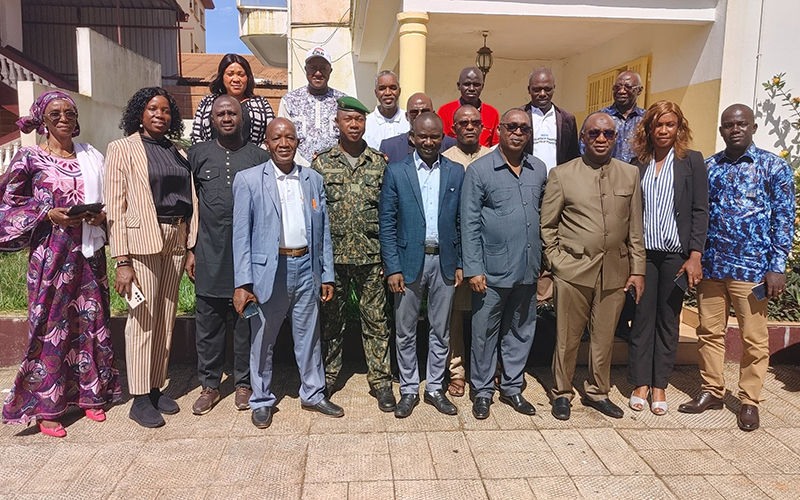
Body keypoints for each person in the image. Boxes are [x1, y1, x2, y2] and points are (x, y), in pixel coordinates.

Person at [0, 91, 121, 437]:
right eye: (56, 114)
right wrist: (46, 213)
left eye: (70, 112)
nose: (64, 118)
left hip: (88, 253)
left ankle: (90, 395)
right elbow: (7, 207)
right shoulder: (29, 157)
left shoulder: (92, 155)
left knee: (91, 320)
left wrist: (101, 216)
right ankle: (46, 406)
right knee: (50, 325)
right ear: (42, 119)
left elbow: (111, 198)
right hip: (51, 254)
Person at [678, 104, 795, 432]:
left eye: (742, 124)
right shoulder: (710, 167)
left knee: (754, 338)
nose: (735, 129)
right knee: (709, 333)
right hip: (713, 268)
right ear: (721, 130)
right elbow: (700, 213)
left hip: (753, 270)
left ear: (753, 127)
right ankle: (712, 390)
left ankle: (749, 400)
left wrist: (777, 265)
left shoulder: (773, 167)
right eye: (729, 125)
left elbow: (784, 218)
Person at [232, 118, 343, 429]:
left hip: (307, 267)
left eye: (290, 137)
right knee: (263, 339)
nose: (284, 143)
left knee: (309, 337)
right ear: (267, 143)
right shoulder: (249, 180)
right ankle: (262, 399)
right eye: (277, 138)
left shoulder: (312, 180)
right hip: (270, 271)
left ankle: (313, 393)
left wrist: (327, 274)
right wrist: (243, 283)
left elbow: (323, 232)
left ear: (297, 142)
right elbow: (240, 237)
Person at [541, 112, 646, 421]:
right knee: (567, 336)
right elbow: (547, 226)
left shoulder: (629, 174)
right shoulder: (562, 174)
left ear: (616, 138)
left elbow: (635, 227)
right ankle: (562, 392)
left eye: (608, 134)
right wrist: (557, 263)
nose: (601, 139)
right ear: (583, 138)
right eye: (594, 134)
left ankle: (598, 391)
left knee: (603, 338)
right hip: (573, 270)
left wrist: (637, 269)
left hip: (615, 270)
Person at [106, 87, 199, 428]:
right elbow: (115, 209)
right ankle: (139, 398)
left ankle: (156, 386)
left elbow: (190, 199)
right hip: (141, 242)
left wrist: (190, 246)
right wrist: (122, 261)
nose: (160, 115)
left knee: (165, 315)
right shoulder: (121, 149)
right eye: (152, 109)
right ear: (139, 114)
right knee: (141, 316)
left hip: (175, 237)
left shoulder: (178, 151)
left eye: (165, 110)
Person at [186, 95, 271, 415]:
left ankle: (243, 383)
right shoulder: (197, 155)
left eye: (232, 113)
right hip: (208, 251)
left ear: (242, 117)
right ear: (211, 119)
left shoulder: (259, 157)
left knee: (245, 321)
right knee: (208, 323)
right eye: (220, 113)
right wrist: (189, 249)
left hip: (247, 256)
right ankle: (209, 384)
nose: (226, 118)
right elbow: (188, 206)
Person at [461, 108, 547, 420]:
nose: (518, 132)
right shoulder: (481, 171)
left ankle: (512, 387)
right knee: (484, 333)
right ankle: (482, 390)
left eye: (524, 128)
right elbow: (468, 222)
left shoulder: (538, 169)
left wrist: (545, 265)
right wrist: (473, 268)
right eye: (512, 126)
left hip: (527, 266)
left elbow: (545, 219)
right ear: (499, 130)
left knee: (521, 330)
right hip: (491, 272)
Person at [310, 97, 395, 412]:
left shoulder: (379, 162)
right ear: (338, 123)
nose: (355, 125)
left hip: (372, 258)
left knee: (376, 321)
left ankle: (381, 383)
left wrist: (389, 259)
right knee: (331, 323)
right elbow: (314, 217)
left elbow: (389, 213)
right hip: (334, 261)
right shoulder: (321, 163)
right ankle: (327, 378)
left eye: (359, 120)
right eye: (348, 119)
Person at [380, 112, 464, 418]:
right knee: (405, 331)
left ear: (443, 138)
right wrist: (393, 267)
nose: (429, 142)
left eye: (435, 136)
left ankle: (435, 389)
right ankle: (407, 389)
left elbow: (459, 222)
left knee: (440, 330)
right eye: (423, 136)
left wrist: (460, 262)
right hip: (407, 263)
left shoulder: (455, 172)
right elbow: (387, 223)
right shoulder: (397, 172)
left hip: (444, 261)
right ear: (412, 138)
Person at [627, 101, 708, 415]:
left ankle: (659, 383)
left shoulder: (692, 162)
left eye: (670, 124)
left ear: (679, 127)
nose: (663, 131)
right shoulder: (637, 164)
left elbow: (700, 210)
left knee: (668, 320)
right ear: (648, 128)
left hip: (676, 255)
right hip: (644, 256)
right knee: (642, 319)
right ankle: (640, 383)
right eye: (657, 125)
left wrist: (695, 255)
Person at [441, 104, 491, 397]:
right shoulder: (446, 160)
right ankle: (456, 370)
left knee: (488, 313)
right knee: (456, 315)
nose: (470, 127)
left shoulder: (494, 157)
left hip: (490, 249)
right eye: (463, 123)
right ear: (454, 128)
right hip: (457, 251)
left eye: (475, 122)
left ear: (483, 126)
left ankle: (487, 369)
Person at [277, 47, 346, 165]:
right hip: (299, 169)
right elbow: (283, 136)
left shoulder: (342, 101)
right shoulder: (289, 101)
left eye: (323, 68)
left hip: (335, 170)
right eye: (313, 68)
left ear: (330, 71)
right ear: (305, 69)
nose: (318, 73)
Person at [190, 53, 275, 146]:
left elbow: (272, 135)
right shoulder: (208, 103)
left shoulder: (261, 104)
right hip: (213, 159)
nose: (236, 79)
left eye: (241, 74)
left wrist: (257, 156)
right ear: (222, 77)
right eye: (230, 74)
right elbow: (197, 136)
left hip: (253, 159)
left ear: (248, 78)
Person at [522, 67, 580, 172]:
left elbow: (573, 156)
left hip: (557, 182)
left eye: (547, 89)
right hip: (526, 180)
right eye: (537, 89)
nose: (543, 94)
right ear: (529, 90)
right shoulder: (520, 117)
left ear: (554, 88)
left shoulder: (567, 119)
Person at [380, 93, 456, 164]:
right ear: (406, 116)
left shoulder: (450, 145)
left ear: (433, 113)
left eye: (425, 111)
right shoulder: (389, 147)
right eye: (414, 112)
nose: (419, 115)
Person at [438, 67, 499, 147]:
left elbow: (495, 145)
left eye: (476, 85)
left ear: (482, 86)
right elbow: (442, 141)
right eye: (467, 84)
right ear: (458, 86)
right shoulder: (445, 111)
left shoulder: (492, 113)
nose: (471, 89)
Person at [593, 71, 646, 164]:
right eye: (617, 87)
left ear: (640, 90)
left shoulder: (646, 119)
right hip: (605, 175)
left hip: (637, 176)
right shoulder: (598, 118)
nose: (621, 91)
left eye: (628, 87)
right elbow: (584, 150)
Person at [364, 71, 409, 149]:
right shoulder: (366, 123)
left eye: (393, 88)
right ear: (376, 92)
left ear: (399, 91)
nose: (388, 93)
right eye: (382, 88)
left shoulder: (409, 121)